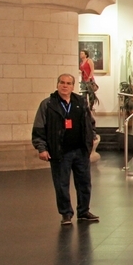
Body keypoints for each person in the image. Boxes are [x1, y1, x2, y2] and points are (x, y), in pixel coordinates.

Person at [31, 74, 98, 226]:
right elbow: (39, 128)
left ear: (73, 86)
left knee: (84, 183)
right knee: (61, 185)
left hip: (80, 150)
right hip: (60, 152)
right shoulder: (48, 104)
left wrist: (91, 137)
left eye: (68, 83)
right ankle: (66, 213)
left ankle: (83, 211)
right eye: (62, 83)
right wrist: (41, 148)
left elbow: (90, 122)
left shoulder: (80, 102)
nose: (65, 86)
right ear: (57, 84)